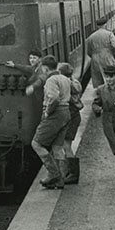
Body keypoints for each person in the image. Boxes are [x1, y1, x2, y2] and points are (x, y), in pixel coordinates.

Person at [26, 55, 72, 189]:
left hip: (55, 114)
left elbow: (54, 98)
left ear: (45, 68)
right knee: (57, 147)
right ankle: (61, 179)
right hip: (66, 112)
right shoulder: (64, 78)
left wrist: (48, 112)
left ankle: (53, 174)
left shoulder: (51, 80)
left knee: (36, 143)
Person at [58, 61, 83, 184]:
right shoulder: (75, 82)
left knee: (66, 145)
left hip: (71, 117)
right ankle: (70, 172)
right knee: (65, 144)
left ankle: (73, 174)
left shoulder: (67, 86)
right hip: (74, 117)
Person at [84, 18, 115, 88]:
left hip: (95, 58)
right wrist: (112, 53)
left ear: (97, 26)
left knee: (97, 78)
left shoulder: (91, 36)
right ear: (105, 25)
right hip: (107, 56)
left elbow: (88, 51)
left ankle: (101, 94)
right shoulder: (109, 34)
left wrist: (94, 55)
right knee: (110, 75)